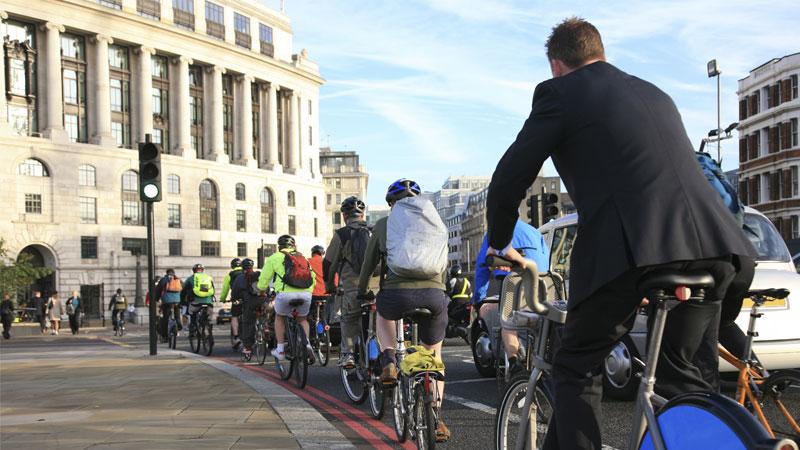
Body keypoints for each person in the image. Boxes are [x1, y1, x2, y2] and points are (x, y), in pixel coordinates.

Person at [484, 18, 756, 449]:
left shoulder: (559, 93)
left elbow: (511, 176)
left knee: (576, 366)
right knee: (686, 383)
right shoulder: (654, 92)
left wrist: (499, 239)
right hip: (719, 246)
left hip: (636, 246)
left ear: (556, 65)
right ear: (601, 52)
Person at [357, 178, 451, 442]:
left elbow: (369, 263)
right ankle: (436, 417)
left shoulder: (385, 224)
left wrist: (362, 290)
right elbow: (443, 262)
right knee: (434, 357)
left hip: (396, 294)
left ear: (391, 204)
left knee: (383, 315)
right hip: (434, 295)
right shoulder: (435, 223)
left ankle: (388, 360)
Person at [473, 219, 550, 372]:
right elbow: (546, 261)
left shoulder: (495, 233)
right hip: (542, 283)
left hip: (512, 283)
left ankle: (515, 364)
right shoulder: (534, 231)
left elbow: (482, 268)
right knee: (541, 324)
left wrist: (479, 300)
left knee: (507, 324)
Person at [324, 196, 375, 369]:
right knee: (381, 322)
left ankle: (348, 355)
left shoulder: (342, 234)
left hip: (353, 288)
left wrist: (330, 286)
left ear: (345, 216)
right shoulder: (374, 231)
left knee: (348, 319)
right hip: (377, 289)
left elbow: (329, 263)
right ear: (363, 215)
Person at [257, 235, 316, 363]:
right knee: (302, 319)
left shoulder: (274, 257)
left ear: (279, 247)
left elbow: (264, 279)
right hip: (306, 294)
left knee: (280, 317)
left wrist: (261, 289)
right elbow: (313, 277)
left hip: (285, 295)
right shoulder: (303, 257)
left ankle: (280, 349)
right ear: (293, 246)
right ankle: (307, 345)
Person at [233, 258, 262, 359]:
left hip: (249, 303)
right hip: (262, 301)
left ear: (242, 267)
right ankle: (265, 328)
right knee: (265, 313)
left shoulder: (240, 278)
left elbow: (235, 293)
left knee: (248, 323)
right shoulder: (259, 274)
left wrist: (235, 300)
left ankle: (248, 348)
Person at [180, 263, 216, 333]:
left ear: (194, 271)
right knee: (208, 316)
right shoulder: (208, 278)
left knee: (192, 313)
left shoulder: (190, 279)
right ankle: (209, 327)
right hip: (208, 302)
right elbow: (213, 290)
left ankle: (193, 328)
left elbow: (183, 291)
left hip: (195, 302)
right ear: (202, 270)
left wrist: (182, 302)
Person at [220, 258, 244, 349]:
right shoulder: (246, 272)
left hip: (236, 299)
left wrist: (223, 299)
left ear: (232, 266)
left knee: (234, 316)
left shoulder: (230, 275)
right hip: (247, 298)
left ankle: (236, 336)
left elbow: (225, 289)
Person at [155, 269, 183, 339]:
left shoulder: (163, 280)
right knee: (177, 314)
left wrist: (156, 299)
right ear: (174, 273)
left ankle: (165, 336)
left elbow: (158, 290)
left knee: (166, 318)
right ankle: (179, 323)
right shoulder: (178, 279)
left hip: (167, 301)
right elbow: (183, 289)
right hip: (177, 300)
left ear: (166, 273)